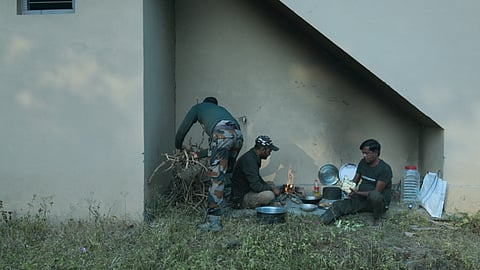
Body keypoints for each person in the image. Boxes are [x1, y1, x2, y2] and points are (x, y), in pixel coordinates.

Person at [175, 97, 243, 232]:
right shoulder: (221, 111)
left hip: (222, 135)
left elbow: (183, 129)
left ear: (205, 103)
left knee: (216, 177)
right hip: (238, 135)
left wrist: (178, 146)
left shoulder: (198, 108)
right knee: (228, 172)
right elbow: (222, 144)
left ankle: (214, 222)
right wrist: (198, 155)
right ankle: (226, 209)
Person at [319, 139, 392, 226]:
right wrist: (349, 189)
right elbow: (355, 181)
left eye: (367, 153)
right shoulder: (363, 163)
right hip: (362, 200)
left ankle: (377, 218)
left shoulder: (385, 169)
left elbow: (376, 192)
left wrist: (357, 192)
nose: (364, 156)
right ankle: (321, 221)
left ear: (375, 153)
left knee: (374, 195)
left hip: (378, 203)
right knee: (338, 205)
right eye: (363, 153)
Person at [231, 135, 281, 209]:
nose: (269, 154)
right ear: (262, 149)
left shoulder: (254, 156)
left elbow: (257, 179)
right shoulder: (249, 160)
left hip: (248, 188)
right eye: (269, 151)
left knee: (271, 183)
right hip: (241, 197)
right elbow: (256, 186)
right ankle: (245, 204)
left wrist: (270, 187)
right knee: (269, 195)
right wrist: (272, 189)